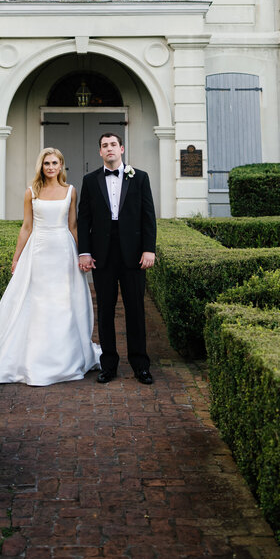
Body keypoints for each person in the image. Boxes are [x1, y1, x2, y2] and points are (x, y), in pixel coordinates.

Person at [0, 147, 102, 385]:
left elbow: (73, 226)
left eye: (55, 163)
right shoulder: (31, 192)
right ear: (41, 167)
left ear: (61, 166)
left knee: (63, 301)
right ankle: (31, 356)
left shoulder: (70, 191)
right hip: (39, 250)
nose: (51, 167)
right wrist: (16, 257)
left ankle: (65, 356)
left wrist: (83, 253)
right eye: (46, 163)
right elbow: (26, 227)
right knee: (36, 301)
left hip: (64, 250)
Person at [77, 132, 157, 384]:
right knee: (106, 310)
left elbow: (148, 216)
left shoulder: (140, 177)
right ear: (100, 152)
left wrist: (149, 249)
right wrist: (85, 252)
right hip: (102, 255)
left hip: (134, 254)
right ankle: (108, 364)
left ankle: (140, 365)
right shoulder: (89, 181)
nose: (109, 149)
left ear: (121, 148)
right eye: (104, 146)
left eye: (113, 144)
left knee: (135, 309)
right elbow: (84, 219)